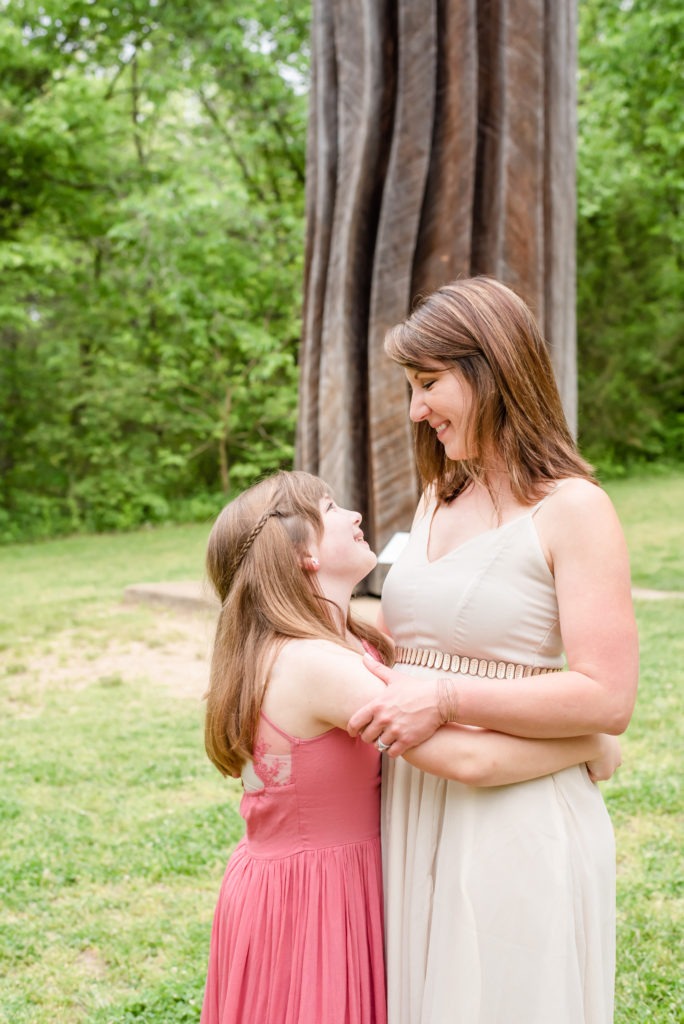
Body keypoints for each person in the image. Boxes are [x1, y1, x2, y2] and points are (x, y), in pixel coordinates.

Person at [199, 469, 621, 1024]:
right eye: (331, 508)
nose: (354, 516)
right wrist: (590, 743)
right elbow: (467, 759)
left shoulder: (344, 642)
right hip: (317, 898)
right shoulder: (320, 666)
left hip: (294, 883)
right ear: (303, 553)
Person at [348, 276, 639, 1024]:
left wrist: (446, 698)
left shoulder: (574, 510)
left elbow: (608, 697)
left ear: (491, 369)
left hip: (516, 818)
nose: (415, 409)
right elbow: (428, 640)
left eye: (427, 384)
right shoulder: (438, 495)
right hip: (418, 802)